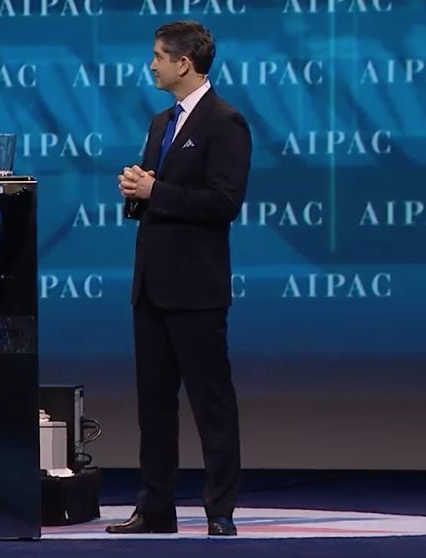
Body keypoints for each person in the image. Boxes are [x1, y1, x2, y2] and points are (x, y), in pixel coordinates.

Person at [108, 21, 251, 537]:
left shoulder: (224, 122)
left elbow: (223, 203)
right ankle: (156, 509)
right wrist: (135, 192)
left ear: (183, 63)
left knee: (212, 404)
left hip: (196, 291)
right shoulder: (159, 122)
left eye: (158, 56)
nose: (151, 64)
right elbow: (154, 194)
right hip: (151, 288)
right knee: (154, 405)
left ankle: (220, 511)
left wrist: (156, 191)